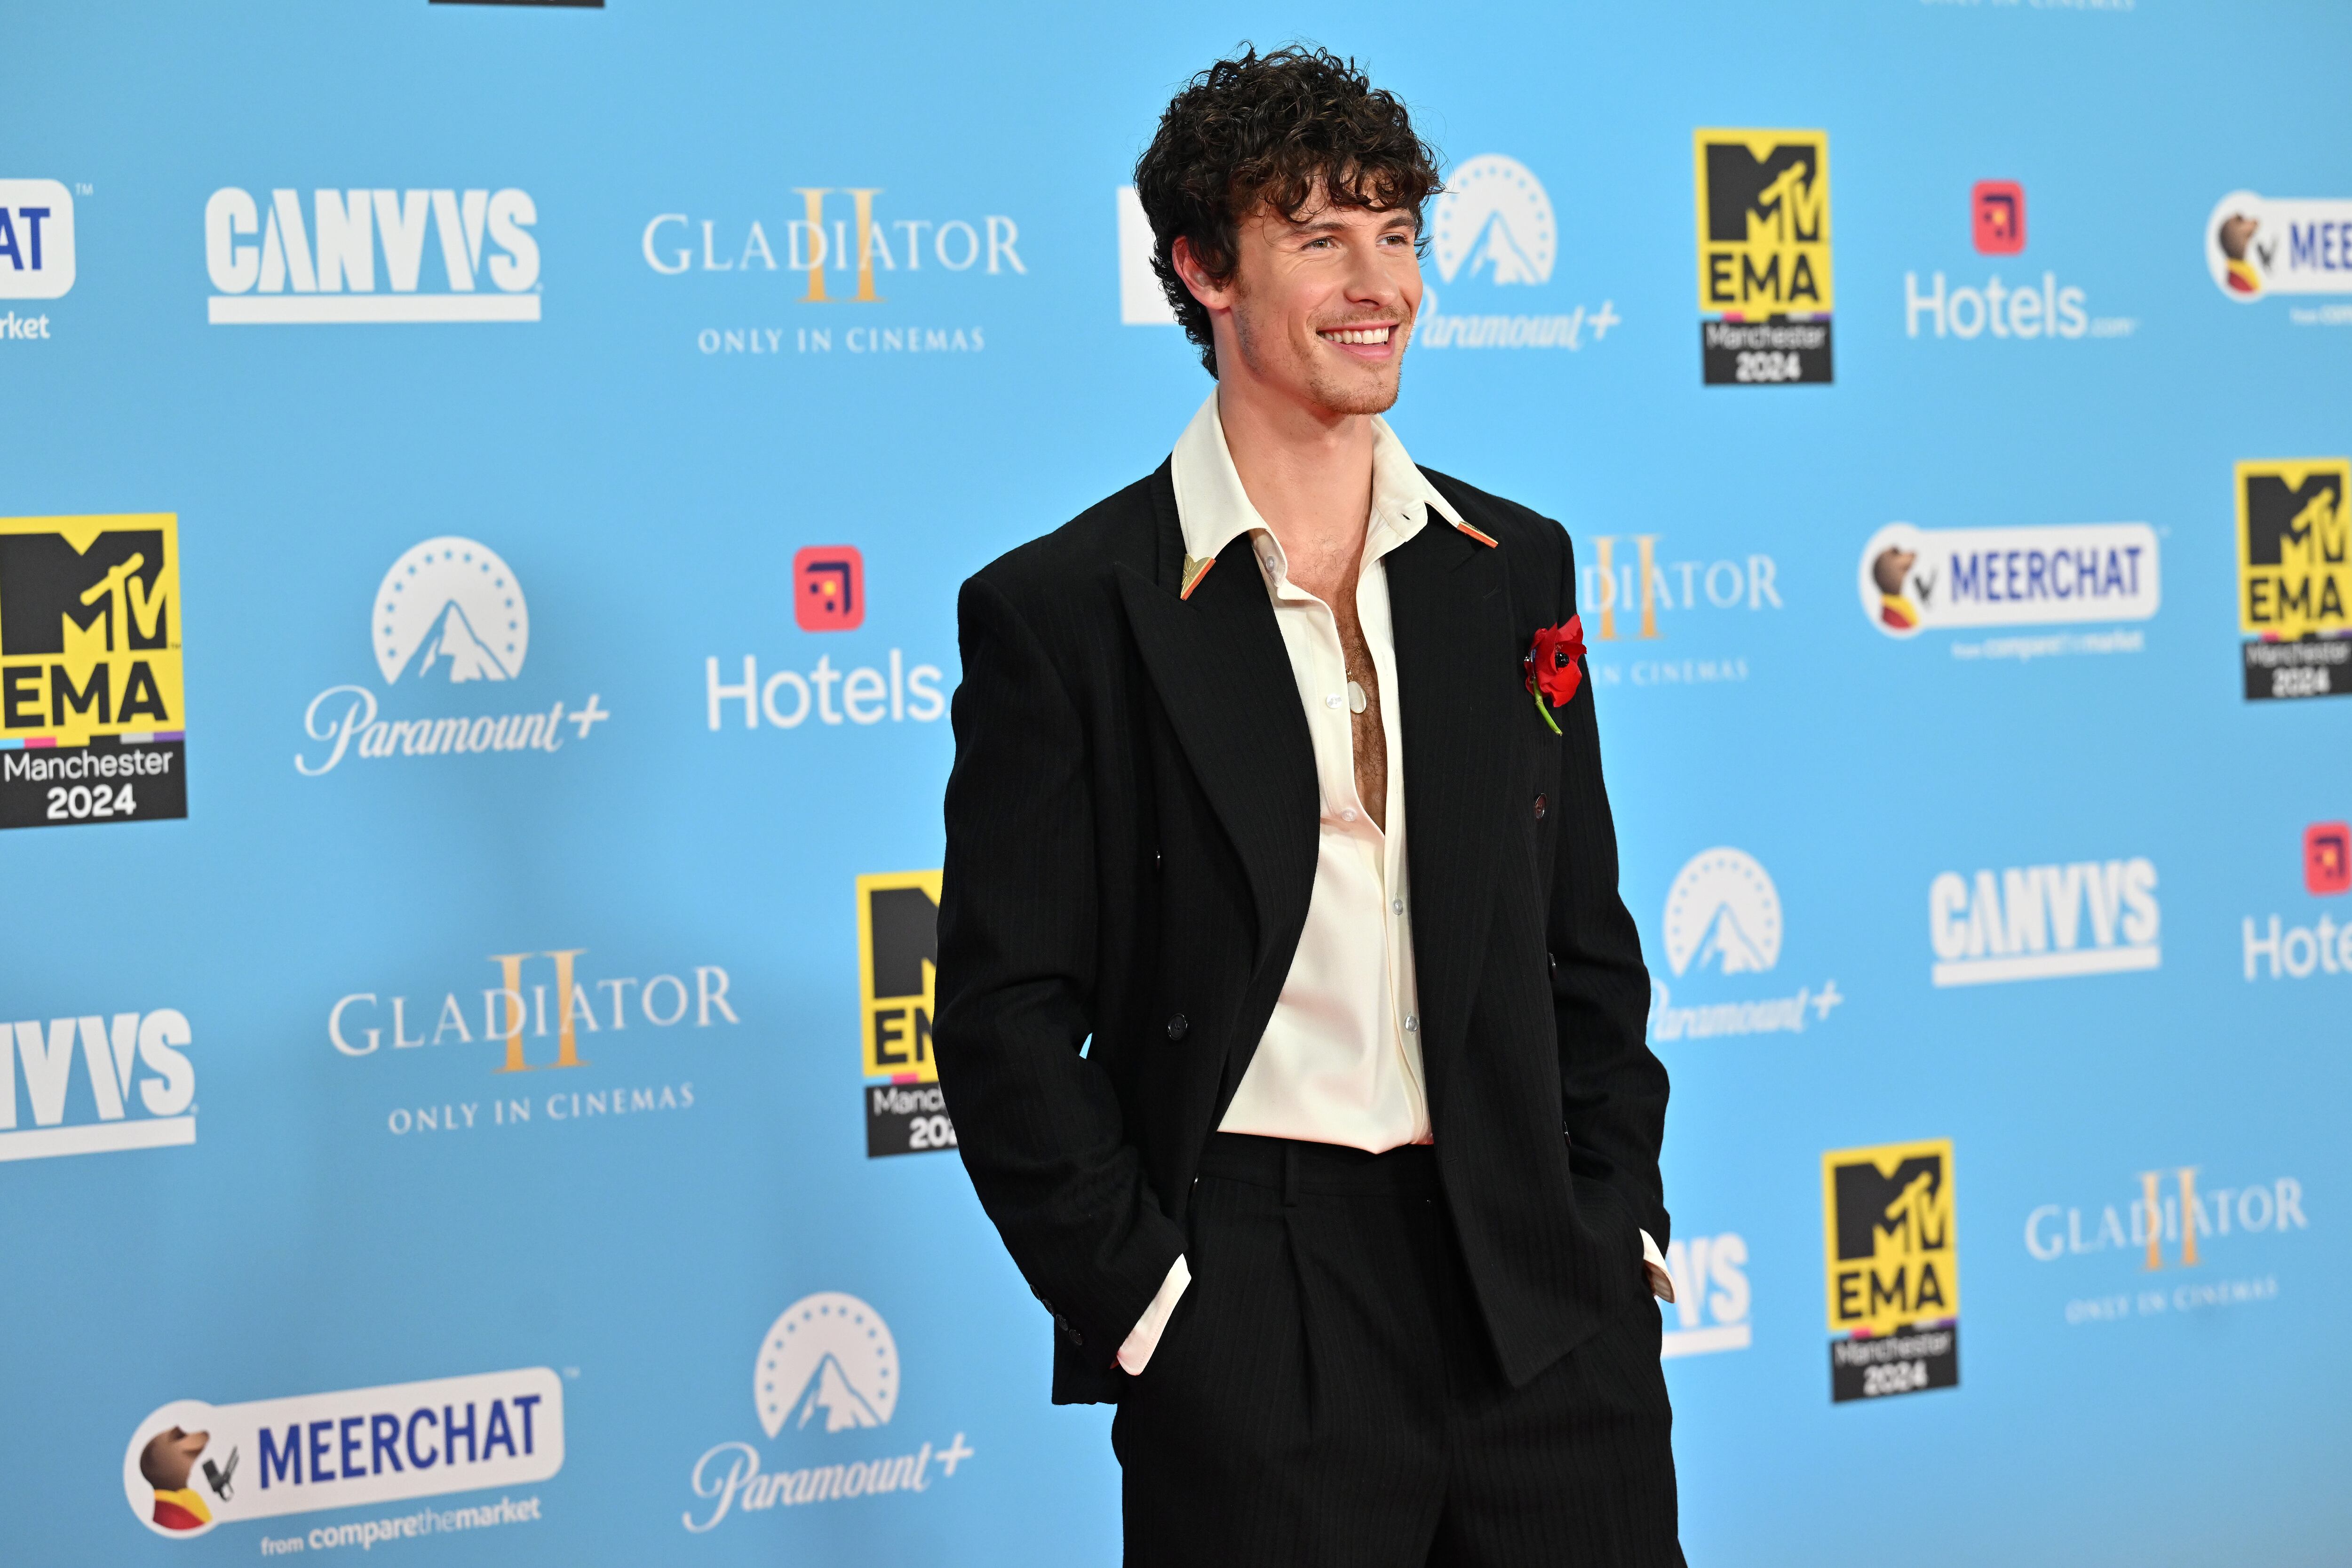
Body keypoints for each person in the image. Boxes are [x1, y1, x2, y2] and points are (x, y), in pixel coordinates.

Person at [935, 44, 1682, 1567]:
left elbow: (1581, 940)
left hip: (1541, 1292)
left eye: (1400, 231)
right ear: (1203, 267)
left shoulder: (1512, 565)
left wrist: (1616, 1224)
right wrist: (1152, 1307)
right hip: (1256, 1301)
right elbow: (1002, 1016)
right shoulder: (1071, 608)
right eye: (1321, 235)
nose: (1380, 283)